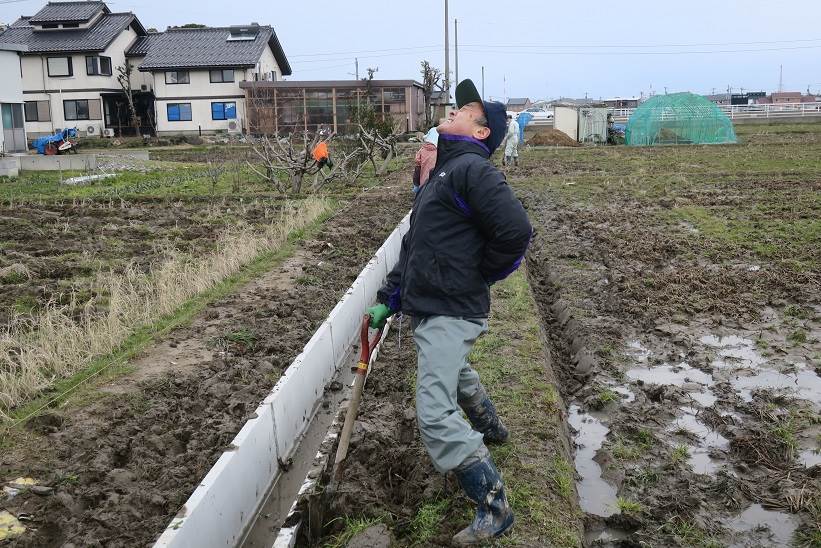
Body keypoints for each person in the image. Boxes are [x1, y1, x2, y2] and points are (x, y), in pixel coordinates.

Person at [367, 79, 532, 546]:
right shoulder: (442, 175)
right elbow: (414, 246)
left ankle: (493, 506)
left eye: (465, 110)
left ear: (480, 132)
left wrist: (479, 272)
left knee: (434, 411)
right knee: (455, 374)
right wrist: (390, 297)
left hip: (451, 307)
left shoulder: (472, 173)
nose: (455, 110)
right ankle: (491, 427)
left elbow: (516, 232)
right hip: (432, 303)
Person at [412, 127, 439, 193]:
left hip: (423, 183)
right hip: (435, 183)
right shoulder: (440, 152)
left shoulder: (422, 150)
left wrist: (416, 183)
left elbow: (417, 165)